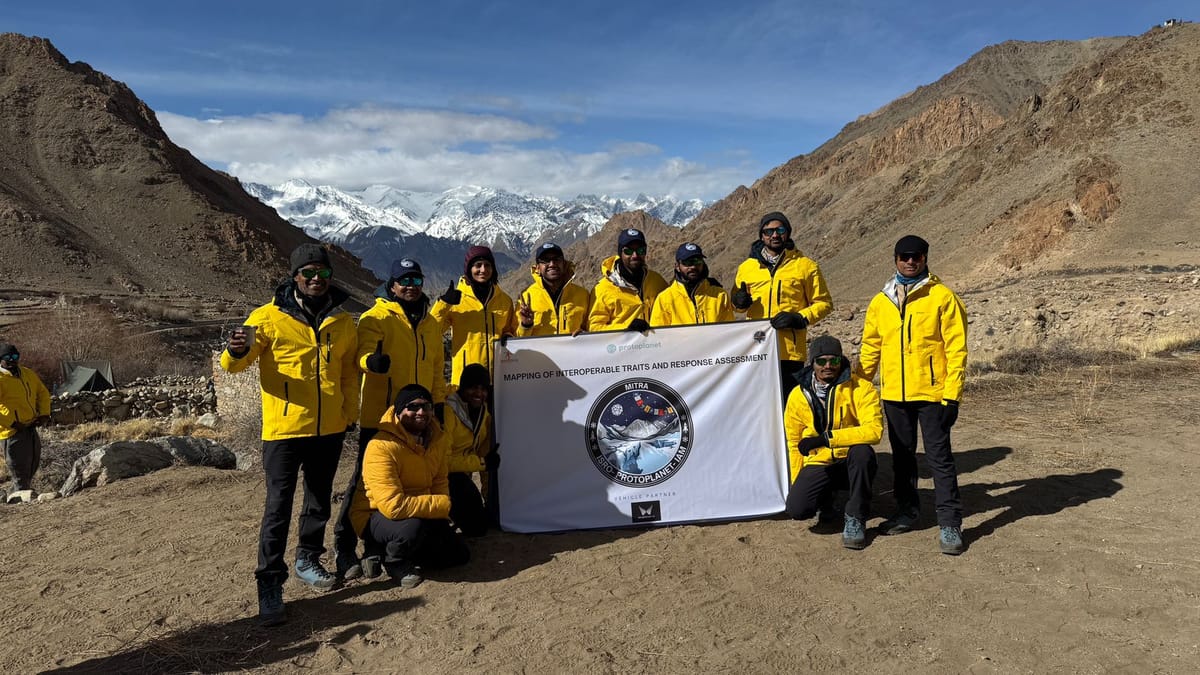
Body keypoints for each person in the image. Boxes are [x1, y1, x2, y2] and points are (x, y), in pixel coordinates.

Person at [221, 243, 360, 626]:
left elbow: (349, 372)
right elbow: (236, 364)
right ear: (294, 276)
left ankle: (307, 558)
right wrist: (234, 352)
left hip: (329, 428)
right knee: (277, 508)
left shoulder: (343, 322)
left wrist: (348, 414)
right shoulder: (267, 318)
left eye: (323, 273)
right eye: (308, 273)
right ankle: (270, 583)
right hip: (283, 430)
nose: (316, 279)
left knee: (318, 501)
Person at [332, 257, 447, 581]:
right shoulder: (376, 317)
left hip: (420, 416)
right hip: (382, 417)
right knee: (363, 485)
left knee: (411, 477)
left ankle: (380, 546)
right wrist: (373, 361)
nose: (410, 287)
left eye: (415, 280)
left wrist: (436, 405)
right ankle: (345, 546)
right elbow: (362, 355)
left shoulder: (431, 323)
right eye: (403, 281)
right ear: (392, 285)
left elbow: (437, 367)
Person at [858, 235, 968, 555]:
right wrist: (858, 383)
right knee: (903, 458)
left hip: (932, 394)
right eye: (904, 256)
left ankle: (949, 522)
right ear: (895, 259)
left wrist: (952, 396)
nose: (910, 261)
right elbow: (870, 349)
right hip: (894, 394)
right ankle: (906, 511)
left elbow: (956, 349)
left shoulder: (942, 297)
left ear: (925, 258)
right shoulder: (881, 301)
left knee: (940, 459)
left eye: (916, 256)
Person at [349, 384, 470, 587]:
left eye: (426, 406)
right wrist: (441, 505)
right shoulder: (381, 446)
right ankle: (394, 561)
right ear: (398, 411)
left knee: (458, 555)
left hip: (418, 510)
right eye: (412, 407)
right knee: (411, 529)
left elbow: (440, 481)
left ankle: (380, 552)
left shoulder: (436, 440)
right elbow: (393, 506)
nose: (421, 412)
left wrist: (439, 512)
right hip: (375, 515)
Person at [783, 336, 882, 550]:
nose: (828, 366)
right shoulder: (797, 396)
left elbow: (874, 431)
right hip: (819, 461)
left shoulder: (861, 388)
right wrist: (797, 482)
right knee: (798, 509)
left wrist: (828, 439)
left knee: (863, 453)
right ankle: (826, 498)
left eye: (834, 361)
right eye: (821, 361)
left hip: (850, 459)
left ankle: (856, 515)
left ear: (841, 360)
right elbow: (794, 443)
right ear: (812, 363)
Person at [732, 212, 834, 401]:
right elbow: (738, 307)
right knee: (759, 404)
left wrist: (800, 318)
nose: (775, 235)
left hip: (790, 353)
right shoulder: (746, 268)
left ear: (787, 233)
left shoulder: (805, 266)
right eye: (769, 231)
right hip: (757, 350)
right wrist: (739, 303)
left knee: (789, 406)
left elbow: (825, 303)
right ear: (761, 236)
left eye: (780, 230)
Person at [431, 245, 517, 384]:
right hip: (465, 380)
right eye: (478, 265)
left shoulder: (504, 300)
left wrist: (509, 336)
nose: (483, 270)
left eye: (487, 265)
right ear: (469, 269)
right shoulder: (456, 299)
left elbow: (508, 330)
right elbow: (432, 330)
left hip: (497, 378)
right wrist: (443, 304)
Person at [443, 364, 493, 536]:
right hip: (442, 479)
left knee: (479, 528)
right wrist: (481, 463)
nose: (479, 393)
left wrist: (489, 499)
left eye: (483, 389)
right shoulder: (448, 412)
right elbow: (443, 462)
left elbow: (485, 455)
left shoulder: (484, 413)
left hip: (463, 477)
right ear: (463, 387)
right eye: (473, 387)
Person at [587, 228, 668, 332]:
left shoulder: (657, 281)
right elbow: (593, 328)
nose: (635, 255)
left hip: (656, 345)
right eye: (628, 251)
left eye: (640, 250)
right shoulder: (602, 289)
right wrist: (626, 327)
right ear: (620, 253)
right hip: (622, 347)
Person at [0, 343, 51, 493]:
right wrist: (12, 423)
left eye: (15, 357)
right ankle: (21, 503)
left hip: (30, 428)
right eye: (8, 357)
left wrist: (43, 414)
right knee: (19, 471)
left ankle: (16, 496)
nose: (12, 360)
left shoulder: (27, 373)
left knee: (32, 467)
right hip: (12, 433)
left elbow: (42, 393)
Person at [649, 243, 735, 327]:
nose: (693, 267)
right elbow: (659, 337)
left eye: (697, 261)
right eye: (687, 262)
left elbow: (729, 332)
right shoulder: (664, 299)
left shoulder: (720, 296)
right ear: (677, 266)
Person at [515, 243, 589, 337]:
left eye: (556, 259)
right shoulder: (526, 298)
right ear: (537, 268)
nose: (552, 264)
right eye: (545, 260)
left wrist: (587, 335)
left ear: (564, 263)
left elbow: (592, 326)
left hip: (574, 351)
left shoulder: (582, 295)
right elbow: (516, 340)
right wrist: (526, 325)